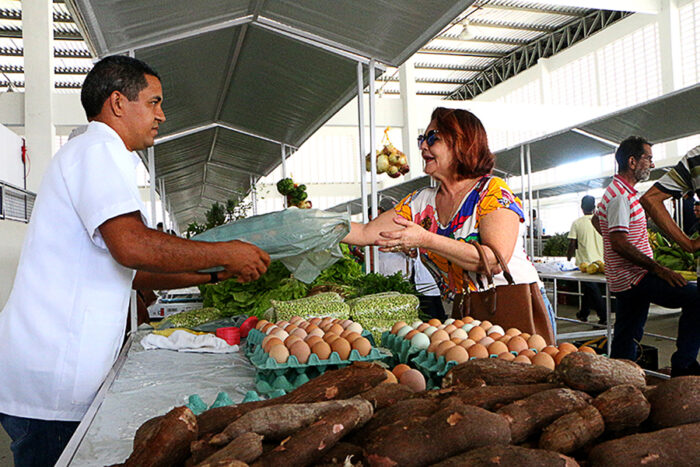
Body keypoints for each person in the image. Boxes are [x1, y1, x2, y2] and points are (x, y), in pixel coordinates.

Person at [0, 55, 271, 466]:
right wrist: (224, 250)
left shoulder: (99, 154)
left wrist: (216, 273)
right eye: (154, 102)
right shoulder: (97, 150)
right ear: (117, 103)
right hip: (52, 377)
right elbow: (132, 246)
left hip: (53, 371)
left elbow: (134, 269)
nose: (162, 115)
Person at [342, 107, 555, 331]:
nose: (423, 145)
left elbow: (493, 261)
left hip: (515, 306)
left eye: (432, 138)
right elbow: (365, 233)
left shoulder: (492, 191)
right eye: (422, 139)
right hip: (467, 311)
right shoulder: (421, 202)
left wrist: (425, 239)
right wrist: (312, 224)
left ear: (461, 143)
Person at [594, 137, 699, 377]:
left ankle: (620, 379)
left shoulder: (615, 192)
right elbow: (620, 242)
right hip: (636, 277)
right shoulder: (620, 196)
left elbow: (597, 221)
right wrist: (660, 269)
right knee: (696, 297)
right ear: (632, 162)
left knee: (627, 333)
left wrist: (613, 246)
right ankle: (683, 364)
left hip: (625, 278)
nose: (651, 165)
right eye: (648, 159)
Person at [567, 195, 607, 324]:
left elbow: (572, 243)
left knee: (592, 289)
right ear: (594, 207)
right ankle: (583, 313)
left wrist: (568, 258)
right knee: (589, 289)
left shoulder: (577, 223)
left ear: (582, 207)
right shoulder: (601, 221)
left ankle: (604, 316)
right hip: (601, 262)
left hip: (586, 264)